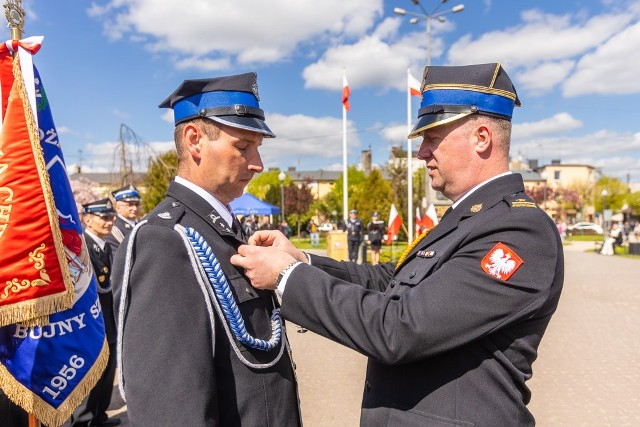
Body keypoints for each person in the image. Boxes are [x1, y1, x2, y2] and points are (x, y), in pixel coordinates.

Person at [231, 63, 564, 426]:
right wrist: (303, 260)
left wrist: (286, 277)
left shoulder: (518, 231)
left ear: (481, 137)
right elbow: (389, 281)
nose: (422, 153)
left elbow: (400, 329)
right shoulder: (468, 218)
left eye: (433, 138)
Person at [111, 72, 301, 426]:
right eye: (243, 147)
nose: (258, 163)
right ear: (194, 140)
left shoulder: (225, 231)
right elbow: (170, 408)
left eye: (258, 148)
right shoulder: (164, 241)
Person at [71, 199, 120, 427]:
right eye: (104, 217)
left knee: (108, 371)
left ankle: (99, 416)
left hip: (106, 319)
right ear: (88, 220)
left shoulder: (104, 244)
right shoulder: (81, 247)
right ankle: (84, 421)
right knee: (91, 374)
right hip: (90, 322)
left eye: (111, 217)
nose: (109, 222)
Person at [106, 183, 142, 254]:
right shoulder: (113, 229)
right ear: (118, 208)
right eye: (130, 204)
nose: (134, 208)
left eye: (137, 204)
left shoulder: (141, 225)